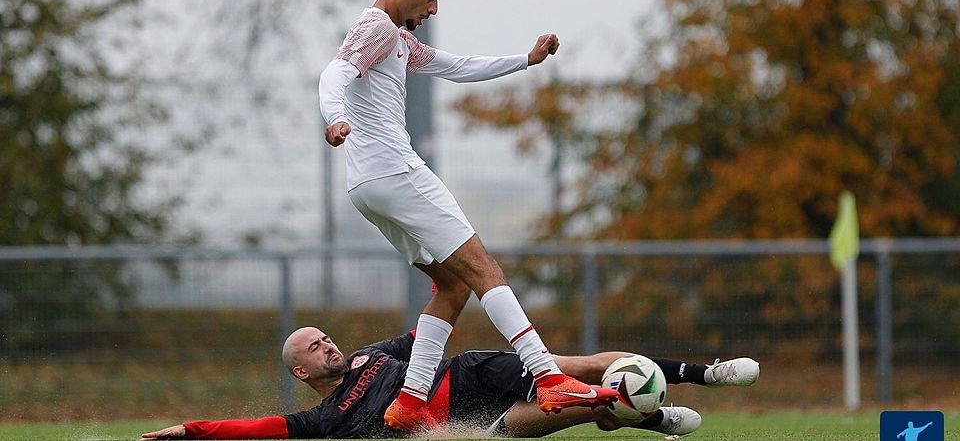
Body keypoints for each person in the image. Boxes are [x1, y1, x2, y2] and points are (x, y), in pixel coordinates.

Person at [317, 0, 616, 430]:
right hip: (396, 172)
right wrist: (334, 117)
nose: (433, 9)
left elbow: (455, 66)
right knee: (483, 269)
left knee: (453, 285)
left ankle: (411, 401)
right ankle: (548, 376)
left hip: (367, 187)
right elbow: (334, 72)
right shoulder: (377, 28)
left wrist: (526, 60)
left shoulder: (396, 39)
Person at [140, 326, 761, 440]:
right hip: (470, 423)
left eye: (325, 337)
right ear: (301, 372)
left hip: (471, 371)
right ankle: (651, 416)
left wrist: (446, 272)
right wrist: (192, 431)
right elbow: (257, 428)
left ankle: (705, 374)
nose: (327, 344)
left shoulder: (369, 355)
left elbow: (427, 328)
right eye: (314, 347)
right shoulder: (322, 421)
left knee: (578, 369)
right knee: (574, 410)